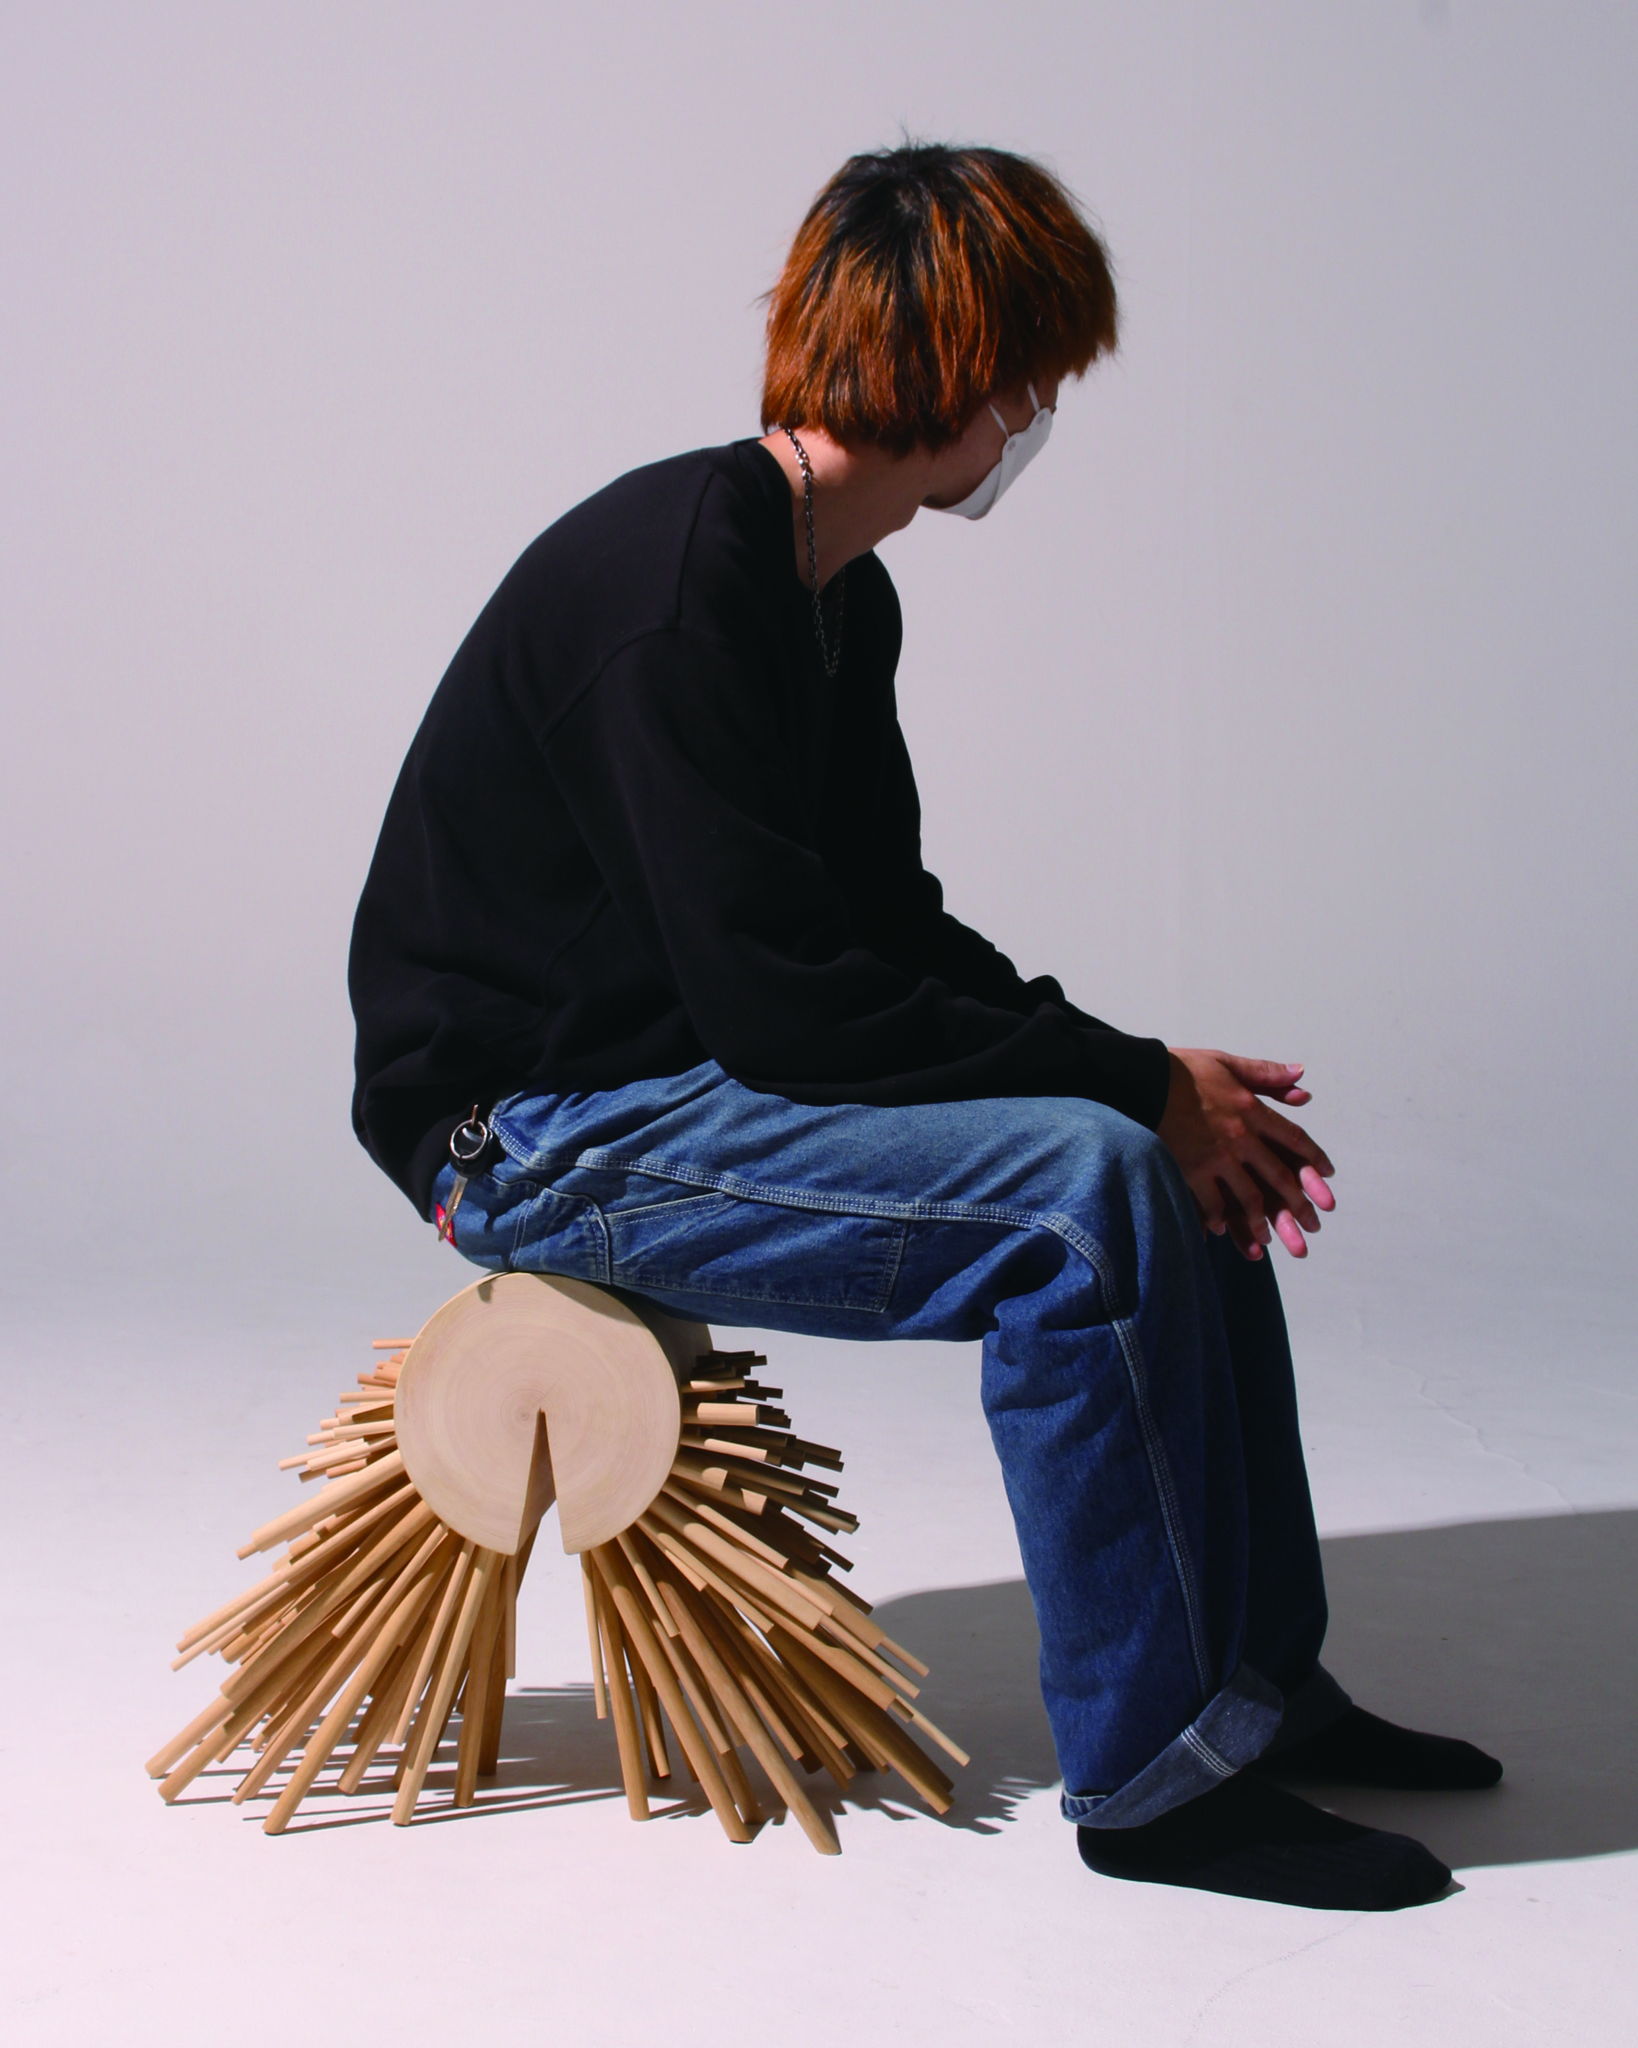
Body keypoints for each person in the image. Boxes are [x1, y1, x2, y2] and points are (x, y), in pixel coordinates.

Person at [347, 140, 1501, 1910]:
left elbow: (879, 930)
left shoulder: (829, 588)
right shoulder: (678, 585)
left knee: (1167, 1169)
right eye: (1036, 379)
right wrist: (1124, 1091)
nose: (1040, 417)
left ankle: (1258, 1694)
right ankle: (1157, 1788)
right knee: (1084, 1198)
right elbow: (785, 1004)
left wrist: (1155, 1082)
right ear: (972, 381)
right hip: (533, 1132)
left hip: (676, 1077)